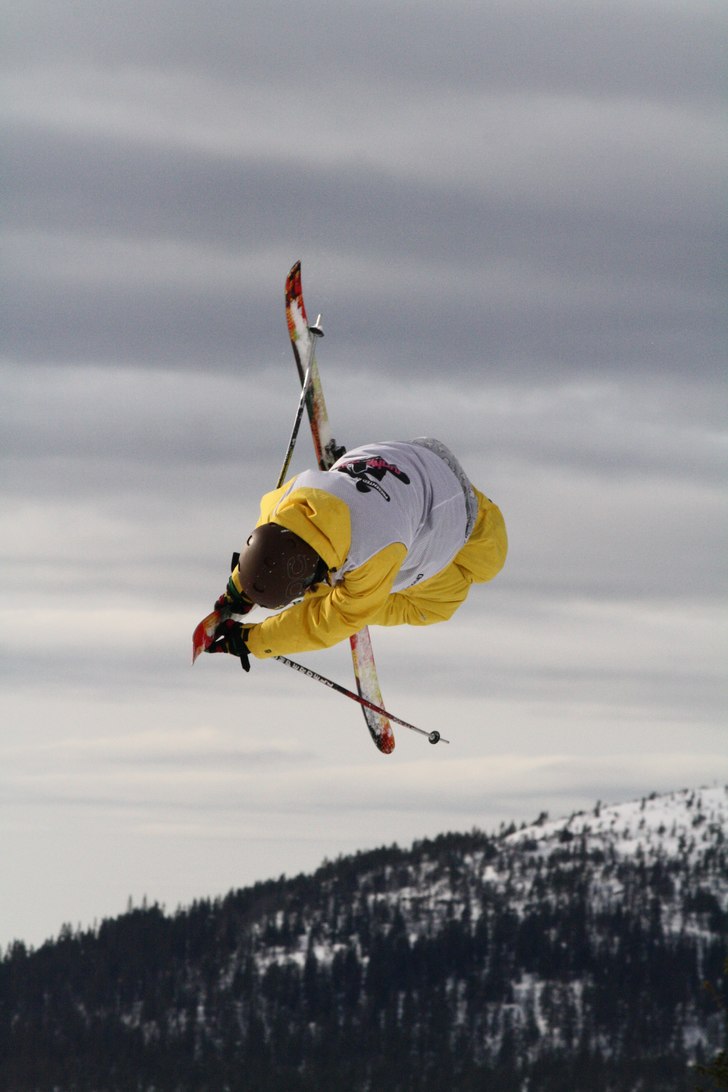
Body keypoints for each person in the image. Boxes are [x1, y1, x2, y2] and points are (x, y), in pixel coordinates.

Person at [206, 439, 507, 670]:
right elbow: (265, 553)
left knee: (454, 592)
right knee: (336, 588)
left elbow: (330, 622)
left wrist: (254, 641)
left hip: (460, 510)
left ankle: (333, 589)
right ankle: (333, 582)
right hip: (409, 456)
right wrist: (238, 591)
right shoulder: (278, 505)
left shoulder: (375, 550)